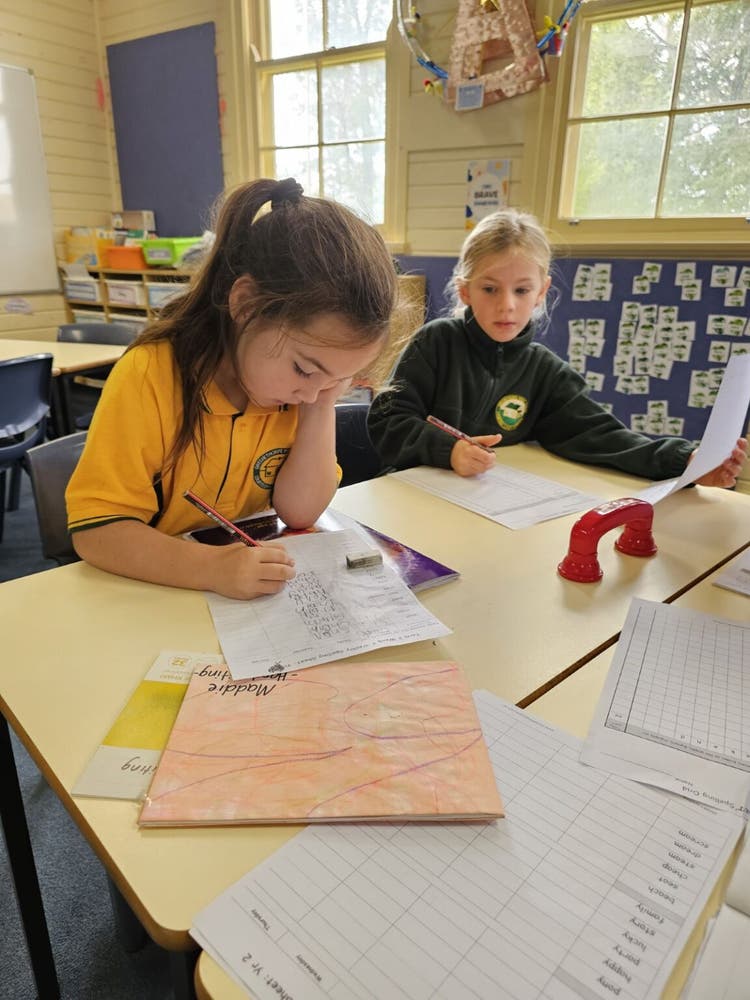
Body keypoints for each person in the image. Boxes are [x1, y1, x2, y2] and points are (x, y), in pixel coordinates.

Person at [66, 177, 405, 600]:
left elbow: (300, 511)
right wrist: (213, 568)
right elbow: (98, 532)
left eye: (339, 380)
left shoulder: (300, 393)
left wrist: (320, 405)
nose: (315, 392)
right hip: (152, 593)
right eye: (304, 370)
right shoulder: (150, 375)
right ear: (245, 305)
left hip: (239, 597)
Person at [367, 207, 747, 483]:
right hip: (415, 499)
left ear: (541, 292)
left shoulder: (543, 370)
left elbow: (602, 436)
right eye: (489, 289)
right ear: (465, 290)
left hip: (488, 511)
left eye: (522, 290)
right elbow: (387, 421)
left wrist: (689, 462)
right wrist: (446, 450)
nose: (507, 305)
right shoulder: (436, 342)